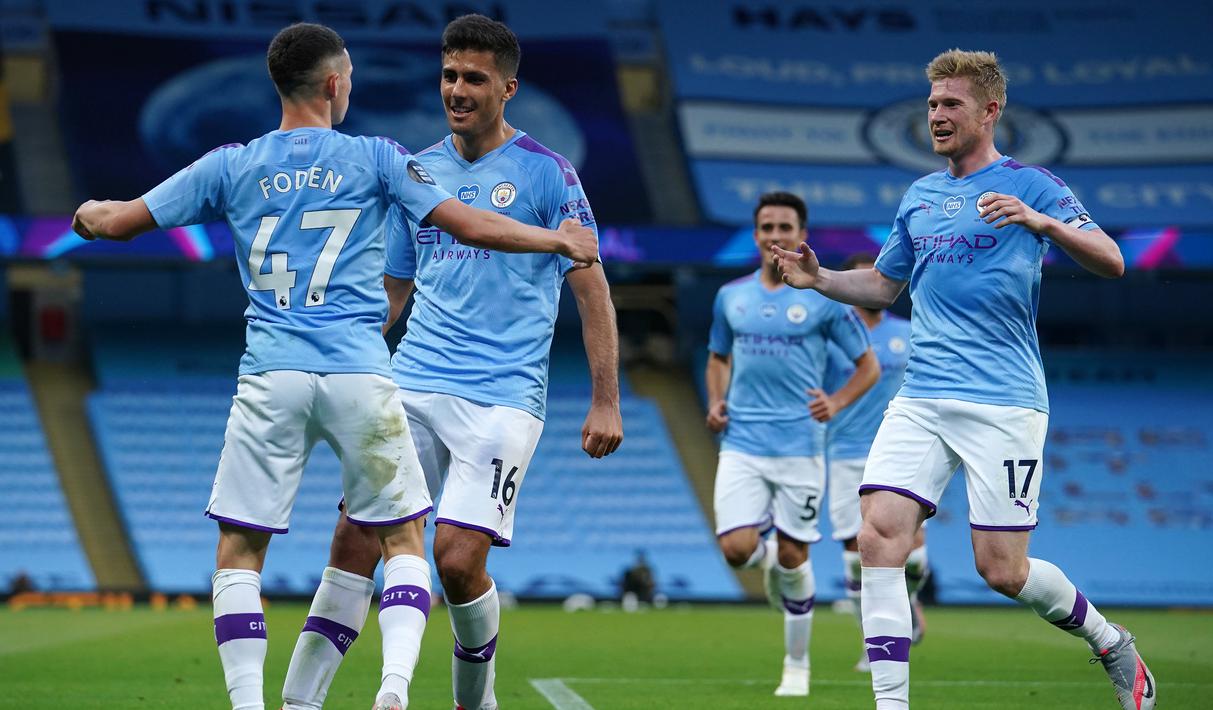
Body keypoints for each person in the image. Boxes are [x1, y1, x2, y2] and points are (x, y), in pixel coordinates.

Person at [71, 22, 597, 710]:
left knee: (240, 551)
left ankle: (252, 704)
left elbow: (114, 223)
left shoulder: (229, 162)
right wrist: (554, 237)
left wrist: (86, 213)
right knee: (403, 538)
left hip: (271, 375)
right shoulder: (376, 156)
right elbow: (467, 224)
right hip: (358, 369)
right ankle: (393, 688)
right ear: (335, 83)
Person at [773, 49, 1152, 710]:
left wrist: (1042, 224)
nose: (937, 116)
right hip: (920, 396)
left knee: (1001, 571)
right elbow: (883, 284)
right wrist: (822, 279)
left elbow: (1113, 260)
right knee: (876, 534)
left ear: (989, 110)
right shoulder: (919, 197)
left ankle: (1110, 642)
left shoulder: (1032, 185)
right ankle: (890, 706)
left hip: (1002, 401)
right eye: (931, 105)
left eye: (950, 104)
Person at [280, 15, 622, 710]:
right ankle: (299, 703)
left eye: (473, 78)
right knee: (352, 540)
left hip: (502, 397)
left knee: (458, 563)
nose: (456, 90)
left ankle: (476, 696)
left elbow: (591, 288)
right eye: (448, 76)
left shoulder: (549, 175)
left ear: (506, 88)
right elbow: (395, 287)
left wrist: (605, 399)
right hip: (414, 382)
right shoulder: (419, 172)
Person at [705, 191, 879, 698]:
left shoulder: (823, 298)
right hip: (741, 442)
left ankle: (797, 665)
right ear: (756, 235)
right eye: (767, 227)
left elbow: (866, 365)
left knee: (793, 554)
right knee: (736, 551)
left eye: (785, 227)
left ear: (800, 234)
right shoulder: (730, 297)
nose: (775, 236)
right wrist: (716, 399)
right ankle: (765, 558)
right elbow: (718, 355)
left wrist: (837, 402)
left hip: (801, 446)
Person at [822, 253, 928, 673]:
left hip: (901, 450)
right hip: (845, 452)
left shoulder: (911, 332)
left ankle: (910, 598)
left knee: (914, 559)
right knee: (855, 552)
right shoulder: (833, 335)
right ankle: (874, 641)